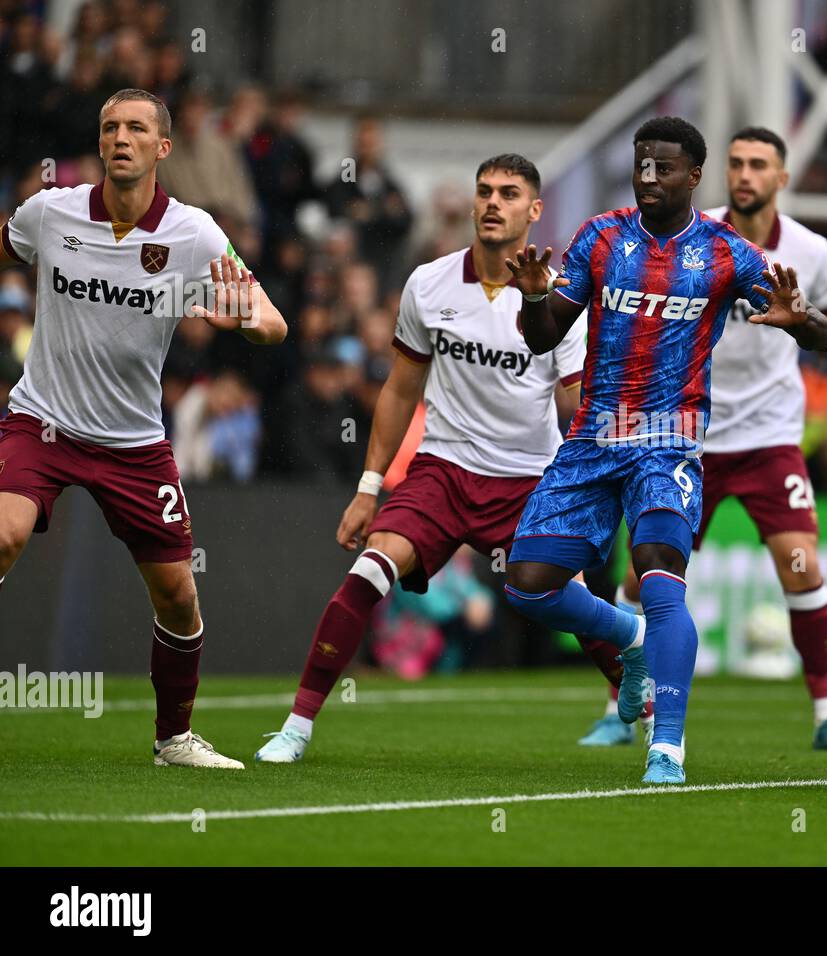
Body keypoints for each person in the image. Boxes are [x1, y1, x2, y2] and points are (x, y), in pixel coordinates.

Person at [502, 117, 827, 784]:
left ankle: (668, 747)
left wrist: (802, 321)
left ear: (693, 176)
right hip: (596, 436)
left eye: (664, 167)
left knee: (658, 572)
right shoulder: (600, 236)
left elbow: (822, 335)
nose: (649, 177)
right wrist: (536, 296)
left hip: (671, 440)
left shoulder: (726, 252)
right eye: (641, 164)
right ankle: (630, 642)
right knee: (526, 584)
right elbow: (542, 338)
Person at [255, 154, 600, 763]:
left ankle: (653, 718)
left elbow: (578, 406)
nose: (494, 203)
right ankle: (297, 728)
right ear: (472, 204)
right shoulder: (428, 283)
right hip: (441, 471)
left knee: (578, 609)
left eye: (510, 194)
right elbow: (398, 389)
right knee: (366, 573)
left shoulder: (562, 301)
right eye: (485, 191)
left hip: (530, 480)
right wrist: (368, 487)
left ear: (534, 211)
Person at [0, 88, 288, 769]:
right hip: (42, 421)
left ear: (162, 148)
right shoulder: (50, 213)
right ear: (99, 145)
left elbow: (273, 322)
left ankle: (174, 740)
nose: (120, 137)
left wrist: (246, 318)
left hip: (133, 444)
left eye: (135, 127)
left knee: (178, 594)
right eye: (109, 128)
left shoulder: (193, 235)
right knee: (5, 534)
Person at [579, 126, 827, 752]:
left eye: (759, 164)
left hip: (769, 437)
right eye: (736, 162)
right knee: (642, 579)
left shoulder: (811, 251)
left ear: (782, 178)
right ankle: (618, 709)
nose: (745, 174)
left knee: (802, 568)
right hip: (687, 437)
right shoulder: (692, 237)